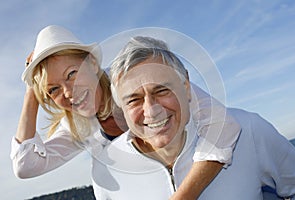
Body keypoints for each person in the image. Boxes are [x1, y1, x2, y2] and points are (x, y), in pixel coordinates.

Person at [10, 25, 241, 199]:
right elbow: (25, 165)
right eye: (53, 89)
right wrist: (32, 91)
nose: (68, 92)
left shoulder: (134, 77)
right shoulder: (77, 127)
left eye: (72, 74)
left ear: (92, 63)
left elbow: (222, 125)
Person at [92, 36, 295, 200]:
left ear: (186, 87)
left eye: (162, 90)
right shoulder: (106, 170)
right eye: (134, 100)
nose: (152, 110)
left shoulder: (249, 130)